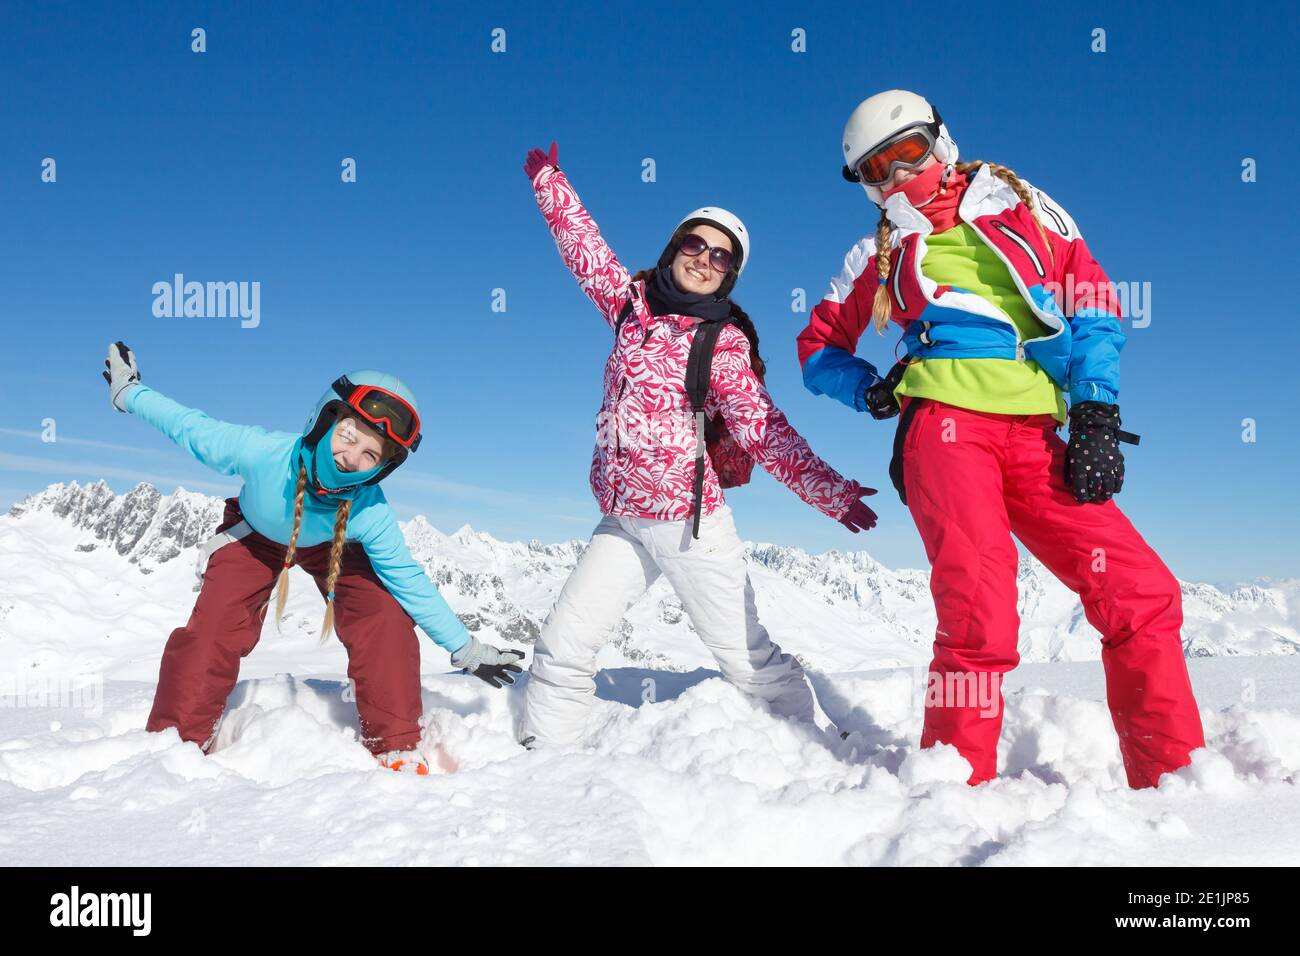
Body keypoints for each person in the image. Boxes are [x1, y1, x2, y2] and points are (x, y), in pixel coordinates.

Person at [796, 91, 1204, 788]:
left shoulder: (1026, 208)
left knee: (1142, 594)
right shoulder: (876, 251)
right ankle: (953, 792)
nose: (897, 177)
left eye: (908, 153)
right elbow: (817, 350)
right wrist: (870, 387)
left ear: (942, 141)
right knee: (980, 616)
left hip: (1037, 431)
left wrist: (1097, 413)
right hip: (945, 432)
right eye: (876, 171)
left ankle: (1178, 783)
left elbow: (1095, 304)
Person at [518, 142, 878, 749]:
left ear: (730, 274)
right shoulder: (628, 306)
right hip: (623, 517)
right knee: (562, 645)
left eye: (721, 257)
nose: (704, 260)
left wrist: (831, 493)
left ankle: (812, 745)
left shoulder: (723, 345)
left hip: (691, 524)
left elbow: (764, 428)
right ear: (673, 247)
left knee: (747, 660)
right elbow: (584, 250)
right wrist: (549, 181)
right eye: (695, 244)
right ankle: (543, 757)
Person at [102, 342, 524, 773]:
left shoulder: (369, 510)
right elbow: (188, 426)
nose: (351, 458)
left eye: (371, 455)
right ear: (325, 421)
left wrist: (466, 649)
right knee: (214, 628)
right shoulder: (261, 453)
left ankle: (395, 745)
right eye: (348, 435)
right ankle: (177, 742)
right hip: (255, 539)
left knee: (383, 616)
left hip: (335, 545)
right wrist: (128, 394)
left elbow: (407, 579)